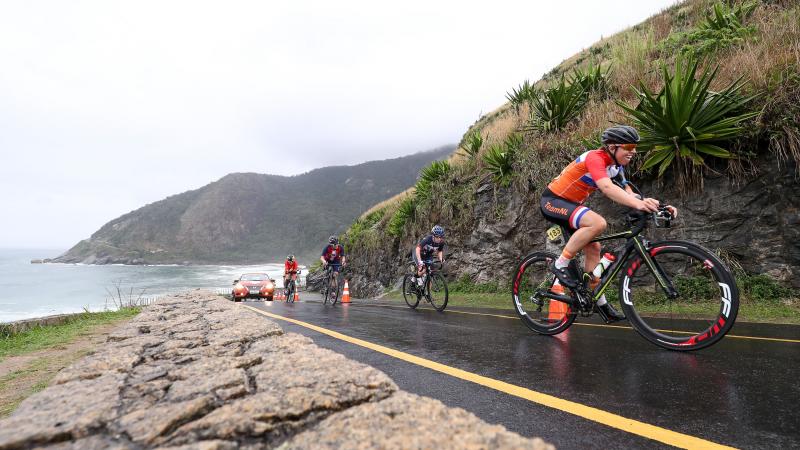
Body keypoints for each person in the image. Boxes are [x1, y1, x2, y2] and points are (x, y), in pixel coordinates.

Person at [539, 125, 678, 323]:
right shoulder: (595, 157)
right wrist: (639, 203)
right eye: (629, 146)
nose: (634, 151)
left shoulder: (616, 168)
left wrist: (658, 205)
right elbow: (606, 187)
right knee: (597, 223)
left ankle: (599, 303)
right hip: (553, 201)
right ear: (612, 147)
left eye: (635, 147)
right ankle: (559, 265)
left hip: (570, 205)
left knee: (594, 247)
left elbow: (629, 193)